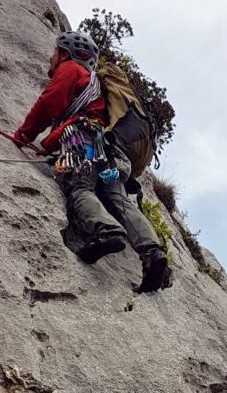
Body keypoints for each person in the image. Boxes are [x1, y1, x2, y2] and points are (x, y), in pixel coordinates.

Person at [12, 31, 168, 292]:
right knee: (118, 199)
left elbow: (49, 103)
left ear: (65, 52)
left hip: (82, 143)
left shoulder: (71, 69)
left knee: (79, 188)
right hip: (109, 152)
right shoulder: (100, 89)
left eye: (54, 53)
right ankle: (152, 252)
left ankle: (107, 231)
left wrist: (23, 136)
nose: (50, 59)